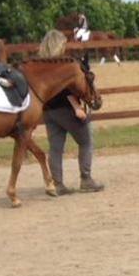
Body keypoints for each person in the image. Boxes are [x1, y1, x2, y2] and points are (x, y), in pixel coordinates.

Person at [40, 28, 104, 194]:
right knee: (86, 141)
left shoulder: (40, 65)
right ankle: (86, 179)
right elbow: (67, 90)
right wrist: (77, 108)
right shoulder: (63, 64)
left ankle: (58, 184)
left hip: (48, 110)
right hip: (65, 109)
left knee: (55, 148)